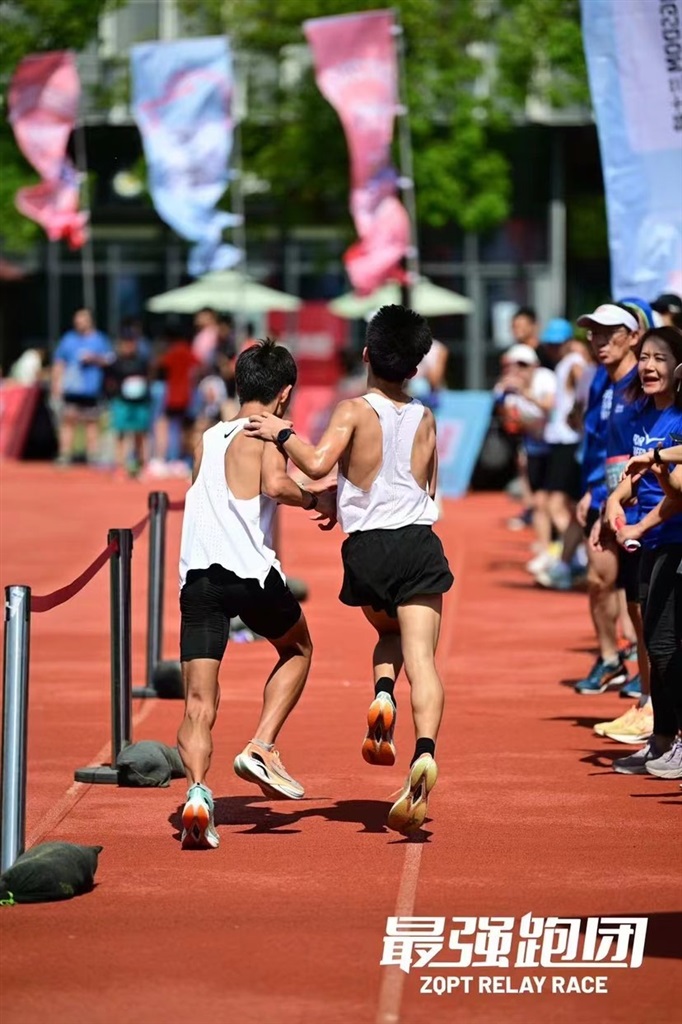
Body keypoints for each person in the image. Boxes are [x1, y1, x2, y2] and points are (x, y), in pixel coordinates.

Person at [246, 305, 454, 836]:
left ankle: (383, 694)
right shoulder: (426, 417)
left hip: (367, 549)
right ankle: (423, 752)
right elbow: (427, 487)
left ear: (366, 354)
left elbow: (316, 464)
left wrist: (280, 431)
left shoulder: (354, 410)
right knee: (422, 658)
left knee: (385, 630)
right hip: (418, 542)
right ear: (415, 367)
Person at [177, 339, 336, 850]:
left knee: (199, 703)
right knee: (298, 649)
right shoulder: (266, 433)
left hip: (198, 576)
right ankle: (262, 746)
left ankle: (198, 793)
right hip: (248, 571)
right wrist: (317, 498)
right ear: (284, 394)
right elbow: (274, 485)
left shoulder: (208, 436)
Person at [603, 326, 682, 778]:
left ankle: (672, 740)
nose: (650, 367)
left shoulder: (679, 419)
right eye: (646, 357)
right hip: (649, 542)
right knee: (654, 644)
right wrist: (614, 501)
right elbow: (633, 476)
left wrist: (639, 522)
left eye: (662, 359)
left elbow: (676, 496)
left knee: (667, 646)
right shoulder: (641, 417)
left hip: (673, 537)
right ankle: (660, 741)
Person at [571, 304, 641, 695]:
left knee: (639, 595)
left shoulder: (644, 383)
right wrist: (593, 492)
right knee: (600, 579)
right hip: (603, 494)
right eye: (594, 333)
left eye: (610, 332)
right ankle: (611, 658)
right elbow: (601, 445)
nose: (600, 341)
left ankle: (646, 674)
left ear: (633, 336)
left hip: (637, 501)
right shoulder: (602, 381)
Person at [494, 344, 557, 575]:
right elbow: (513, 422)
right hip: (534, 447)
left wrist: (525, 393)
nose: (518, 369)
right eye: (513, 364)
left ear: (534, 365)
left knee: (558, 503)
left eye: (523, 364)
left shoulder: (546, 378)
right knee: (538, 502)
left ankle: (567, 551)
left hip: (556, 446)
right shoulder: (508, 388)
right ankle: (544, 549)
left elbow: (550, 406)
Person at [51, 308, 113, 465]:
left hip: (91, 389)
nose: (79, 323)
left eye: (82, 320)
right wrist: (57, 384)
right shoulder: (68, 339)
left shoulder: (100, 339)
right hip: (72, 389)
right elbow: (59, 363)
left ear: (90, 321)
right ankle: (65, 455)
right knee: (68, 421)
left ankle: (92, 455)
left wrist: (94, 358)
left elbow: (110, 360)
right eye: (77, 320)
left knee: (91, 422)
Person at [105, 327, 152, 477]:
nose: (128, 346)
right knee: (120, 433)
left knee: (141, 434)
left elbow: (149, 378)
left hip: (140, 402)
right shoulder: (115, 362)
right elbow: (109, 381)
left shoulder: (142, 361)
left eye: (131, 343)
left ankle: (141, 464)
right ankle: (120, 465)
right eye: (126, 343)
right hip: (122, 402)